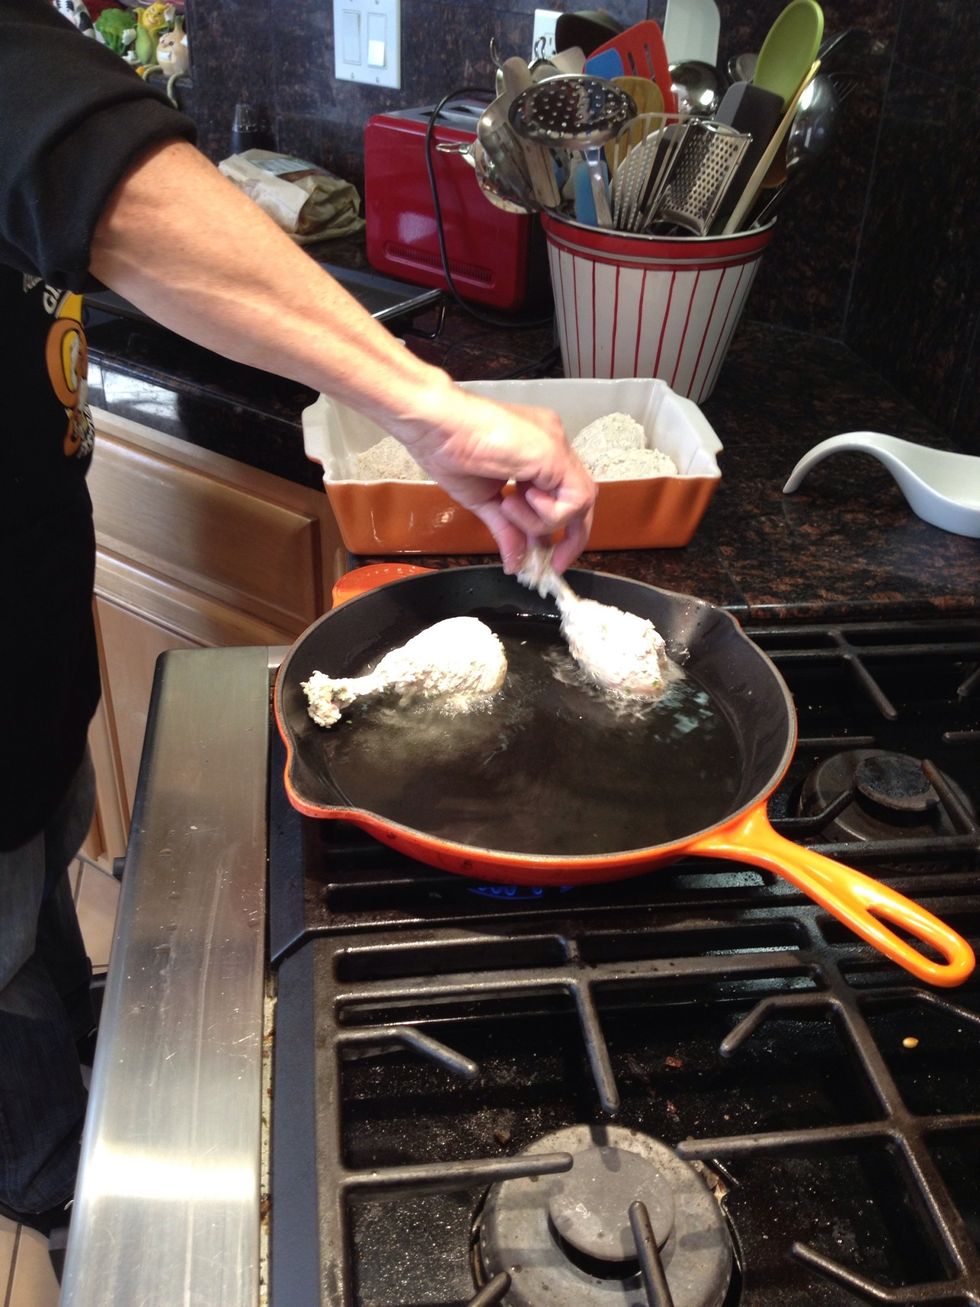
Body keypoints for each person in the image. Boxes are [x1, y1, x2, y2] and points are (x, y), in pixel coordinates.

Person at [0, 0, 596, 1273]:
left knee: (39, 862)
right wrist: (429, 410)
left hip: (26, 611)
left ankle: (68, 1043)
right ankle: (55, 1180)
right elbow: (78, 158)